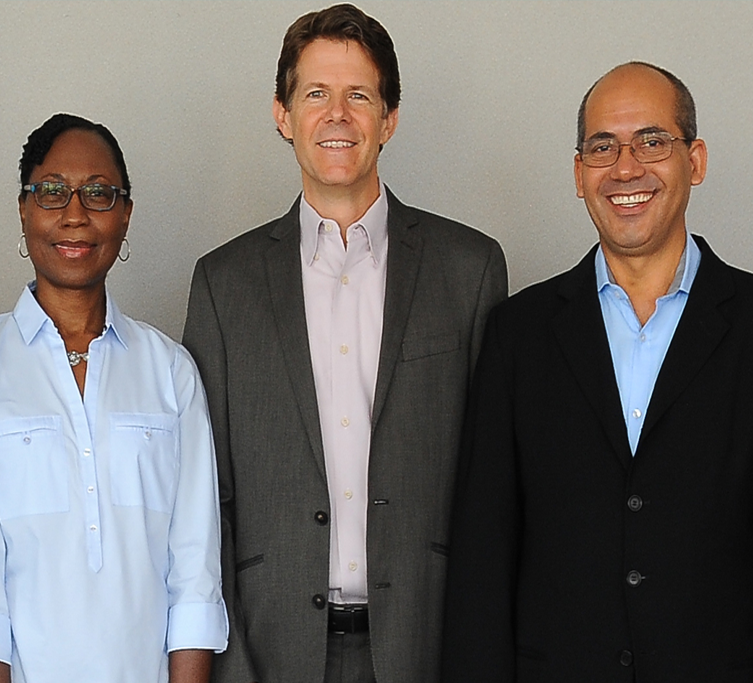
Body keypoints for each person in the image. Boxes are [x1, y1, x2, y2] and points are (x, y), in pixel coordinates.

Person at [441, 61, 753, 682]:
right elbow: (483, 559)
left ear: (696, 161)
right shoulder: (519, 333)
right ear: (578, 174)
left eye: (652, 141)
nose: (626, 168)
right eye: (603, 147)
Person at [181, 4, 507, 683]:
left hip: (427, 641)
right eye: (316, 94)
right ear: (283, 113)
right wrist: (232, 664)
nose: (337, 114)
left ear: (388, 118)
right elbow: (203, 496)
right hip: (270, 649)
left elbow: (493, 488)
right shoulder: (223, 283)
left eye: (359, 94)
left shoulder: (469, 268)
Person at [0, 114, 227, 683]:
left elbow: (194, 568)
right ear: (23, 209)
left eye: (99, 194)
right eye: (52, 191)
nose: (75, 214)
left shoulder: (170, 372)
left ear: (125, 214)